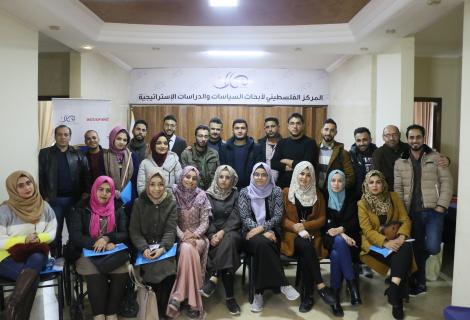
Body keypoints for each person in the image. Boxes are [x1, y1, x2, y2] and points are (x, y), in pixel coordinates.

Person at [394, 124, 453, 296]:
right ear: (407, 139)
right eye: (411, 137)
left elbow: (447, 182)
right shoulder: (401, 161)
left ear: (423, 138)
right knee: (417, 247)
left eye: (418, 137)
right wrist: (401, 211)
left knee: (433, 247)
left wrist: (442, 205)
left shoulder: (437, 158)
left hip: (434, 211)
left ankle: (415, 277)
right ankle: (419, 283)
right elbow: (398, 188)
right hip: (412, 212)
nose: (414, 140)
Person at [238, 162, 300, 313]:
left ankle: (258, 293)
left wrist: (263, 228)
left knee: (263, 245)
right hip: (249, 233)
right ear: (252, 175)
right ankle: (282, 284)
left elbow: (278, 216)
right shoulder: (244, 192)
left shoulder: (276, 191)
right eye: (257, 174)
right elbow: (245, 217)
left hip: (272, 232)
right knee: (263, 244)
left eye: (264, 174)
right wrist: (261, 231)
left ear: (269, 176)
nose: (260, 177)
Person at [70, 176, 129, 320]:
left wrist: (108, 238)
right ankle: (99, 314)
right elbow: (76, 236)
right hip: (86, 251)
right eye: (101, 189)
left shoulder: (118, 206)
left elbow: (124, 233)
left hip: (111, 252)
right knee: (96, 273)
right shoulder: (81, 206)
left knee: (122, 270)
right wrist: (98, 242)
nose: (104, 193)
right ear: (94, 189)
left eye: (108, 191)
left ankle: (111, 312)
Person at [358, 170, 415, 320]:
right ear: (366, 185)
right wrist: (386, 242)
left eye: (378, 182)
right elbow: (367, 231)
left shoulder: (393, 197)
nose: (375, 185)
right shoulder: (362, 203)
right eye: (371, 182)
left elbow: (405, 219)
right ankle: (396, 298)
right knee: (403, 257)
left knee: (405, 248)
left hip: (397, 239)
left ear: (383, 183)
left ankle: (394, 291)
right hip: (374, 244)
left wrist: (402, 237)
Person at [280, 161, 336, 313]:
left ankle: (307, 297)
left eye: (308, 174)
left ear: (312, 177)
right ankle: (321, 286)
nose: (304, 178)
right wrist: (295, 227)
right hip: (292, 236)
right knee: (305, 246)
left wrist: (305, 226)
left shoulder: (318, 194)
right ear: (296, 174)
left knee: (306, 254)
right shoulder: (286, 192)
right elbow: (281, 218)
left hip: (312, 235)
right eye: (302, 174)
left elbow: (322, 219)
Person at [0, 171, 57, 320]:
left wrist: (38, 238)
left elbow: (51, 232)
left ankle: (11, 308)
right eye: (20, 185)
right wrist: (24, 240)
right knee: (32, 279)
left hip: (35, 254)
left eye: (29, 183)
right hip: (7, 256)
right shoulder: (4, 210)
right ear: (13, 189)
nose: (27, 188)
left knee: (38, 257)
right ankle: (15, 312)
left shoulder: (44, 206)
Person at [129, 168, 177, 319]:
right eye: (152, 184)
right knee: (150, 269)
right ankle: (152, 310)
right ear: (147, 185)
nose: (157, 189)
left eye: (161, 184)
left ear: (165, 185)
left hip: (164, 248)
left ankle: (162, 311)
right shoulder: (139, 203)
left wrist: (162, 248)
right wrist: (143, 248)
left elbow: (170, 231)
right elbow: (134, 231)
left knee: (168, 269)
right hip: (144, 249)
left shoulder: (171, 203)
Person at [39, 124, 90, 256]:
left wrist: (86, 193)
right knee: (55, 232)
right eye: (60, 134)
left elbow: (86, 174)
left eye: (66, 134)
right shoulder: (45, 153)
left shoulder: (78, 154)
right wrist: (44, 195)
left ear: (69, 137)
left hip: (74, 201)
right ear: (55, 136)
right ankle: (56, 258)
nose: (63, 137)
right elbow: (40, 176)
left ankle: (72, 258)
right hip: (54, 200)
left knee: (75, 233)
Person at [167, 166, 211, 320]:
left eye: (194, 178)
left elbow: (205, 222)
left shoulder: (202, 196)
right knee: (186, 249)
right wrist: (183, 236)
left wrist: (194, 235)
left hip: (198, 238)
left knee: (188, 248)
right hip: (179, 237)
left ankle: (178, 296)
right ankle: (195, 304)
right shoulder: (173, 193)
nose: (190, 180)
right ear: (181, 177)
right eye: (187, 177)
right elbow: (172, 220)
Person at [200, 165, 242, 315]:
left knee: (229, 240)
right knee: (228, 252)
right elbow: (205, 218)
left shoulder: (237, 194)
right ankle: (230, 298)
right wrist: (212, 235)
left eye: (227, 177)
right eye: (221, 177)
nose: (224, 180)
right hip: (213, 235)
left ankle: (214, 276)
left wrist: (222, 232)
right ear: (216, 177)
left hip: (232, 232)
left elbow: (237, 216)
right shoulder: (207, 195)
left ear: (233, 180)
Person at [323, 170, 362, 316]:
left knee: (335, 254)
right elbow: (325, 225)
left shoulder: (351, 197)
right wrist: (342, 234)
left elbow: (354, 221)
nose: (336, 184)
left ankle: (334, 297)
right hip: (329, 236)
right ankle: (352, 286)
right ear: (329, 182)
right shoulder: (324, 195)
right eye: (333, 180)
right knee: (339, 241)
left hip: (351, 240)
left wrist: (342, 230)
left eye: (340, 180)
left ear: (344, 182)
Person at [271, 112, 318, 188]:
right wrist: (294, 166)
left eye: (298, 123)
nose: (295, 126)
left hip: (303, 187)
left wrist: (288, 161)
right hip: (283, 187)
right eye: (292, 123)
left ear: (303, 125)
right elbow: (273, 163)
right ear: (288, 126)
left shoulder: (310, 143)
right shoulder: (282, 142)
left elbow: (307, 165)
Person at [219, 119, 262, 189]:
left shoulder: (256, 148)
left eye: (243, 128)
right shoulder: (224, 148)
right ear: (232, 130)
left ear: (247, 130)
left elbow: (259, 170)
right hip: (229, 188)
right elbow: (222, 170)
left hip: (251, 189)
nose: (240, 131)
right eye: (237, 128)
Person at [317, 118, 355, 192]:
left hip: (334, 194)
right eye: (326, 129)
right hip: (316, 192)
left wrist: (338, 189)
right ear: (322, 130)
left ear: (335, 132)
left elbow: (350, 177)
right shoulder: (314, 149)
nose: (328, 133)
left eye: (332, 130)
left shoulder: (343, 153)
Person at [103, 126, 139, 204]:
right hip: (108, 196)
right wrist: (112, 190)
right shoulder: (104, 156)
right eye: (118, 139)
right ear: (112, 138)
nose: (121, 142)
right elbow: (102, 178)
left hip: (128, 198)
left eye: (125, 140)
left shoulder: (132, 156)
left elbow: (134, 179)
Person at [181, 125, 220, 190]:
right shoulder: (186, 154)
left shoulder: (214, 154)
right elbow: (184, 177)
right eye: (200, 136)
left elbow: (217, 175)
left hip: (210, 192)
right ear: (195, 136)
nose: (203, 139)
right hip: (192, 192)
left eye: (206, 136)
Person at [372, 125, 409, 189]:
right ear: (383, 137)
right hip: (388, 191)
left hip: (408, 189)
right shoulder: (378, 153)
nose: (391, 138)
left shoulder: (408, 148)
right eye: (387, 135)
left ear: (399, 135)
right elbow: (377, 176)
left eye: (394, 135)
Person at [349, 127, 377, 200]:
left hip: (376, 195)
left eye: (365, 140)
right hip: (356, 197)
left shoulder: (378, 154)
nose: (361, 143)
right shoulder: (349, 156)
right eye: (358, 140)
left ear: (370, 139)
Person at [258, 117, 282, 183]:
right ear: (264, 129)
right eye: (267, 127)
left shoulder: (285, 144)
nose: (270, 129)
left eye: (273, 126)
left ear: (278, 127)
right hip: (263, 184)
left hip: (281, 185)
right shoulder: (259, 144)